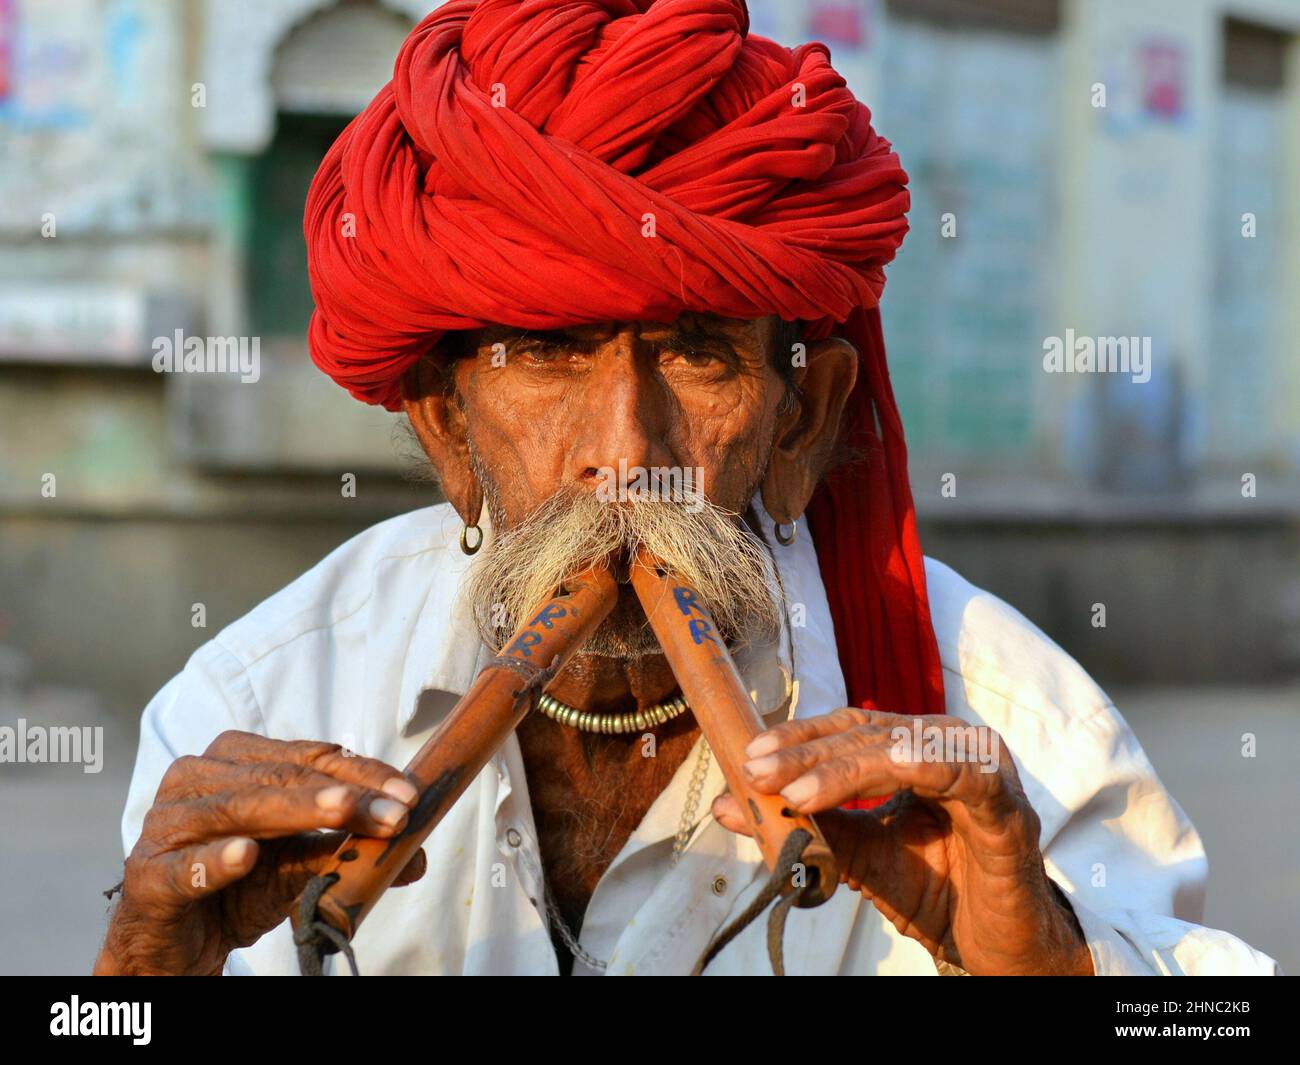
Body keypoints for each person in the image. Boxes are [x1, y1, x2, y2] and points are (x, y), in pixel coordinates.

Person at [95, 0, 1277, 976]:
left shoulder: (1004, 726)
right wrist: (137, 983)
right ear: (447, 430)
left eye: (697, 353)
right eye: (548, 355)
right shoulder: (261, 695)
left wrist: (1052, 967)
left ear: (798, 422)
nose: (628, 453)